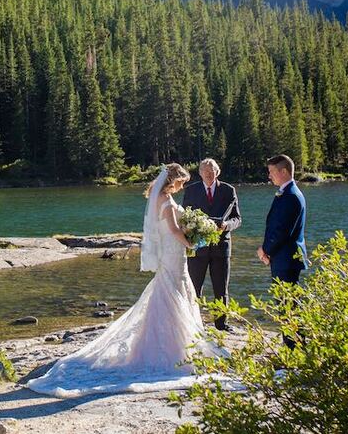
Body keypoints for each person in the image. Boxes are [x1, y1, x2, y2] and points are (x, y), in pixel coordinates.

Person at [26, 163, 222, 397]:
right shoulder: (167, 202)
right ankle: (177, 351)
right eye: (181, 181)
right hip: (173, 252)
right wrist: (191, 242)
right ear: (173, 180)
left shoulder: (159, 198)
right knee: (175, 293)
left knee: (168, 293)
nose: (183, 186)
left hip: (169, 254)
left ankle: (164, 346)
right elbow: (173, 229)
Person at [182, 158, 241, 330]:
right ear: (199, 173)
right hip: (198, 247)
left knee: (221, 288)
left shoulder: (228, 190)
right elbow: (185, 217)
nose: (209, 174)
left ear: (218, 172)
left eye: (212, 171)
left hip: (221, 247)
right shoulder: (191, 190)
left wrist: (226, 226)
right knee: (194, 287)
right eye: (205, 171)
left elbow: (237, 218)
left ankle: (221, 325)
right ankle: (192, 323)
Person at [256, 153, 308, 348]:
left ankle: (294, 349)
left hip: (286, 258)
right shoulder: (286, 193)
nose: (269, 176)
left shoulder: (291, 195)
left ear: (283, 171)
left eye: (271, 172)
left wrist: (265, 250)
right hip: (283, 258)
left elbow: (282, 231)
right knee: (285, 303)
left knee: (288, 305)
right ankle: (293, 348)